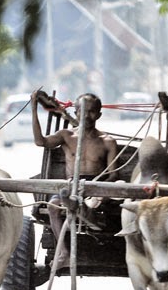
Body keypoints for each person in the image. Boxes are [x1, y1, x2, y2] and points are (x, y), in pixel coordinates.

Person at [31, 91, 119, 268]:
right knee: (52, 207)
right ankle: (64, 253)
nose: (86, 115)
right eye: (82, 111)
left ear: (99, 114)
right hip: (71, 186)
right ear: (76, 112)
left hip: (97, 187)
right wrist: (33, 108)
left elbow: (114, 174)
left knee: (99, 199)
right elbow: (40, 142)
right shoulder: (66, 136)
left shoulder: (107, 141)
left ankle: (84, 207)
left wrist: (99, 188)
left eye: (92, 111)